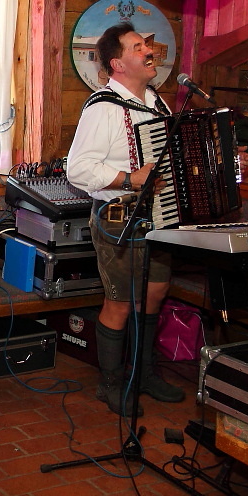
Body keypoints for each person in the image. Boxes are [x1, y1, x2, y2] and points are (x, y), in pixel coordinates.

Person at [66, 23, 187, 417]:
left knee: (154, 293)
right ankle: (111, 383)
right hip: (119, 217)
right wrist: (128, 178)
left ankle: (145, 373)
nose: (149, 51)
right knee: (120, 303)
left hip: (159, 215)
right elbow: (78, 170)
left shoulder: (158, 103)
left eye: (147, 45)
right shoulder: (103, 107)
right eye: (138, 47)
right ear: (117, 64)